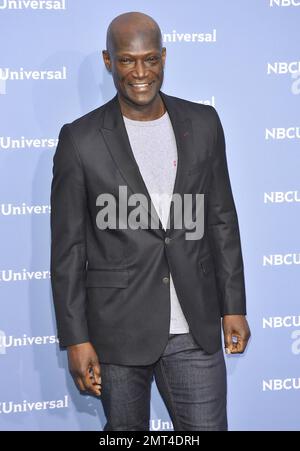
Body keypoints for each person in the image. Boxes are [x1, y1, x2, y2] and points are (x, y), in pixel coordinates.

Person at [50, 11, 251, 431]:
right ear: (109, 61)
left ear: (163, 57)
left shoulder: (203, 122)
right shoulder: (80, 139)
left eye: (149, 59)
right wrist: (76, 338)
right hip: (116, 332)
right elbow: (68, 249)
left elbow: (220, 220)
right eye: (127, 60)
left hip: (194, 329)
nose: (140, 72)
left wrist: (233, 306)